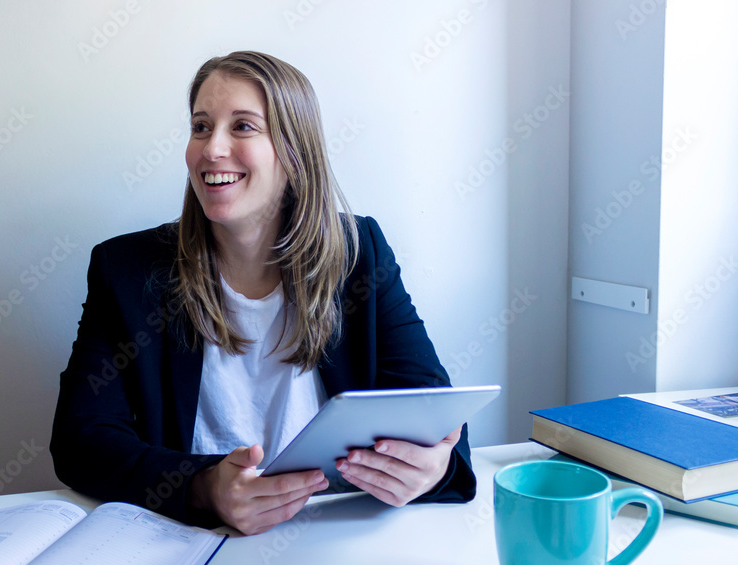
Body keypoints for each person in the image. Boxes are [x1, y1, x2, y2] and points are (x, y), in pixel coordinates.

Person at [50, 51, 474, 535]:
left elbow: (431, 410)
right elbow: (81, 439)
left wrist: (433, 469)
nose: (211, 149)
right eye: (201, 127)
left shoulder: (361, 256)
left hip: (335, 535)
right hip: (188, 543)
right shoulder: (126, 269)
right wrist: (206, 488)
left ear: (295, 153)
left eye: (243, 127)